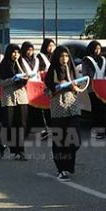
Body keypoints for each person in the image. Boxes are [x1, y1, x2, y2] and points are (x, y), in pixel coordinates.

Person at [44, 46, 83, 181]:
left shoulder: (72, 70)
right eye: (61, 56)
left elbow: (80, 88)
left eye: (66, 56)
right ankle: (61, 169)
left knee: (75, 140)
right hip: (58, 109)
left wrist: (74, 87)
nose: (64, 59)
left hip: (73, 108)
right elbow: (47, 91)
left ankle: (68, 165)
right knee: (59, 140)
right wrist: (57, 88)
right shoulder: (52, 71)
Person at [0, 44, 30, 161]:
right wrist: (12, 79)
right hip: (8, 98)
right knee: (8, 125)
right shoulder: (3, 66)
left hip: (21, 98)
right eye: (14, 53)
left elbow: (26, 78)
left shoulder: (21, 64)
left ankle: (20, 151)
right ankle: (2, 146)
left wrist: (24, 78)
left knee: (21, 124)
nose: (16, 55)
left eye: (18, 53)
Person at [82, 40, 106, 139]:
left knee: (104, 109)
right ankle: (98, 130)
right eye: (95, 48)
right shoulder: (86, 60)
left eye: (99, 49)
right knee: (96, 109)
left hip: (103, 88)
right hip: (93, 89)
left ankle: (105, 129)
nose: (97, 51)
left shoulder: (103, 59)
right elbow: (85, 74)